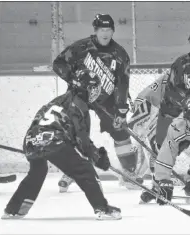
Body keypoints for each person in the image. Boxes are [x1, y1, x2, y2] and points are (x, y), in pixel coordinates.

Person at [1, 75, 121, 220]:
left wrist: (94, 154)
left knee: (37, 172)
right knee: (84, 169)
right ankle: (102, 209)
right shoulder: (79, 105)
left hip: (30, 140)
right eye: (93, 88)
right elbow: (82, 141)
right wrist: (97, 157)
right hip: (52, 140)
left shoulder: (60, 100)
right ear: (83, 89)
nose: (96, 92)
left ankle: (13, 209)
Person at [52, 13, 142, 191]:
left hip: (107, 99)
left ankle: (129, 173)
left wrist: (121, 110)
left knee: (121, 132)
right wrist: (75, 79)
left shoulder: (120, 53)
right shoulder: (81, 47)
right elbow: (58, 64)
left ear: (113, 31)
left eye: (109, 29)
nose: (105, 33)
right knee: (76, 131)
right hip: (80, 95)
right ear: (95, 30)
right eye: (102, 29)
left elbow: (122, 83)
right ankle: (72, 171)